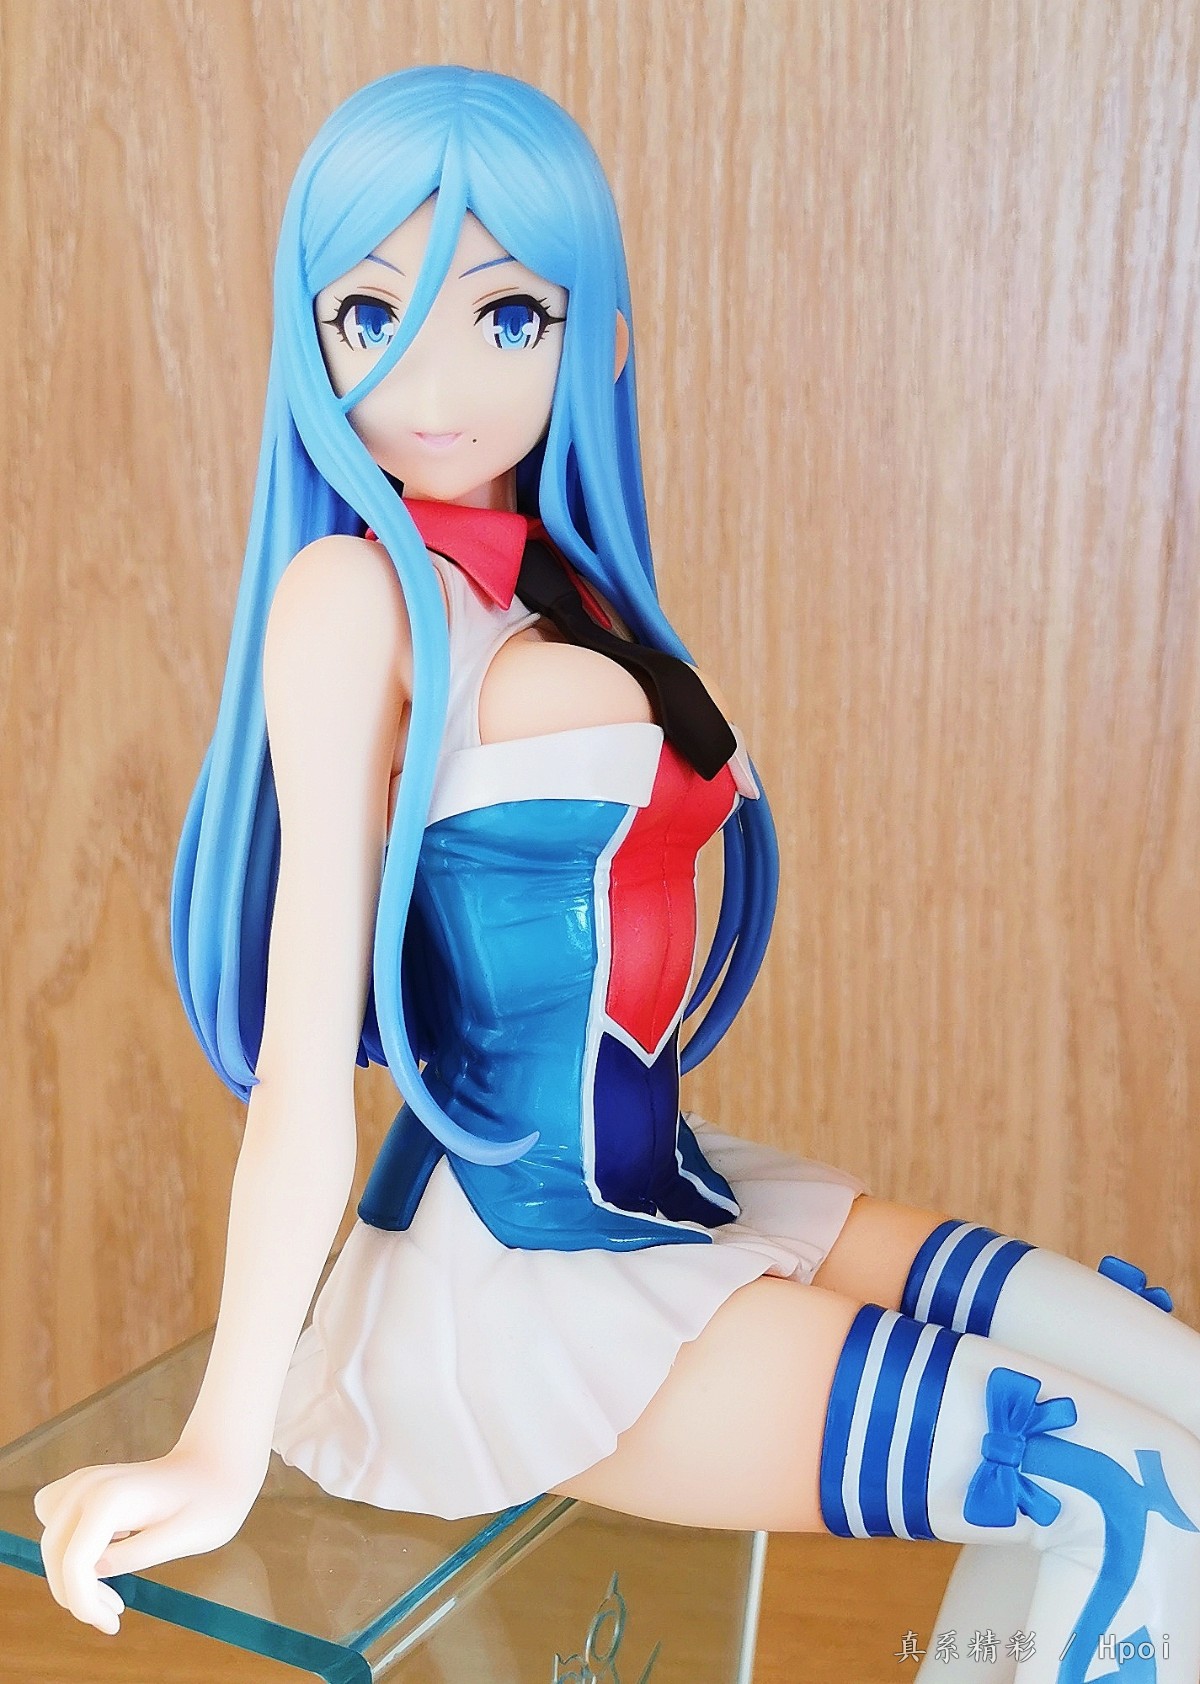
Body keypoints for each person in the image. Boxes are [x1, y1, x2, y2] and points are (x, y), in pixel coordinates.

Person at [32, 66, 1200, 1681]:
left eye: (506, 316)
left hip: (680, 1196)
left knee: (1173, 1395)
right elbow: (303, 1069)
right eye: (372, 315)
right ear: (309, 338)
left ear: (599, 339)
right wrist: (220, 1443)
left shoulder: (563, 593)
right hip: (523, 1282)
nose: (436, 376)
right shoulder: (353, 604)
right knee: (1125, 1493)